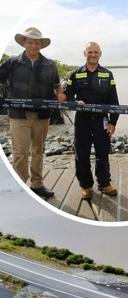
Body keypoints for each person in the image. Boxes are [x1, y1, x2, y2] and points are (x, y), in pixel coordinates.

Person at [0, 27, 65, 198]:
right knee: (20, 153)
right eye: (30, 42)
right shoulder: (12, 62)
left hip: (42, 115)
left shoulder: (50, 64)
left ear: (41, 45)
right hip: (18, 115)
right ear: (24, 43)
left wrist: (59, 93)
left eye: (37, 42)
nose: (33, 45)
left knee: (38, 151)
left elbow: (57, 85)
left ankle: (37, 184)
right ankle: (20, 186)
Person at [65, 42, 119, 200]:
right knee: (81, 155)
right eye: (90, 52)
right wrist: (74, 103)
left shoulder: (108, 74)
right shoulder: (74, 74)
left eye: (96, 52)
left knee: (102, 154)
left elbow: (113, 101)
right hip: (82, 121)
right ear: (85, 54)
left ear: (100, 54)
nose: (93, 55)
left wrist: (113, 122)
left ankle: (104, 184)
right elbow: (67, 96)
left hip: (101, 121)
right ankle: (86, 186)